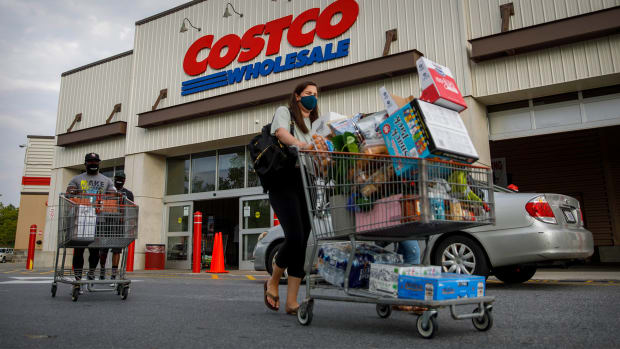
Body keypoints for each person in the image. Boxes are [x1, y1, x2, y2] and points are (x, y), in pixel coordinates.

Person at [263, 81, 318, 315]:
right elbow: (281, 133)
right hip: (284, 181)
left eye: (315, 94)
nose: (312, 98)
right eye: (308, 94)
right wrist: (299, 144)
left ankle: (292, 301)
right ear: (297, 96)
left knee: (303, 242)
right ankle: (274, 280)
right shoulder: (285, 113)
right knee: (294, 237)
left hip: (308, 184)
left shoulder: (315, 124)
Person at [66, 152, 115, 294]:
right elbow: (69, 193)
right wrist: (72, 191)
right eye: (90, 162)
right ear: (85, 163)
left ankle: (91, 273)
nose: (93, 164)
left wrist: (112, 195)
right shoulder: (77, 179)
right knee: (79, 250)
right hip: (81, 220)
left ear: (99, 163)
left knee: (95, 250)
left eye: (96, 162)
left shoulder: (106, 180)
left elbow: (112, 195)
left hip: (99, 220)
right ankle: (77, 280)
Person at [98, 171, 134, 283]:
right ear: (114, 179)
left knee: (117, 250)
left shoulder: (128, 193)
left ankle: (114, 274)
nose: (119, 180)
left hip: (119, 225)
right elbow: (101, 204)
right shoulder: (108, 191)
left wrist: (127, 218)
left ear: (124, 180)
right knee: (103, 249)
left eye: (121, 178)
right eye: (117, 178)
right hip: (107, 223)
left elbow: (131, 208)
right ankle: (102, 270)